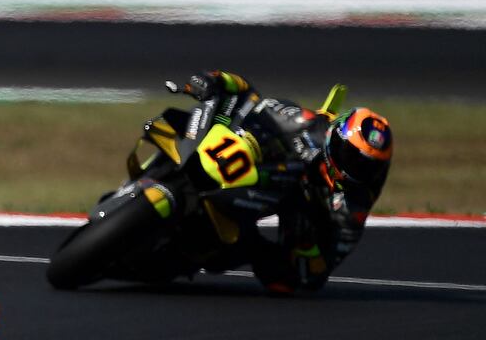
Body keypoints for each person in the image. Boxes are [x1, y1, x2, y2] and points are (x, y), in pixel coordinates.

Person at [166, 70, 393, 293]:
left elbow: (318, 272)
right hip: (250, 166)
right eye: (351, 156)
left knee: (290, 282)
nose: (355, 166)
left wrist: (307, 245)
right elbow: (252, 99)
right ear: (336, 138)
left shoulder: (353, 205)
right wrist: (214, 80)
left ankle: (235, 242)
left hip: (293, 217)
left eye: (366, 166)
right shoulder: (306, 124)